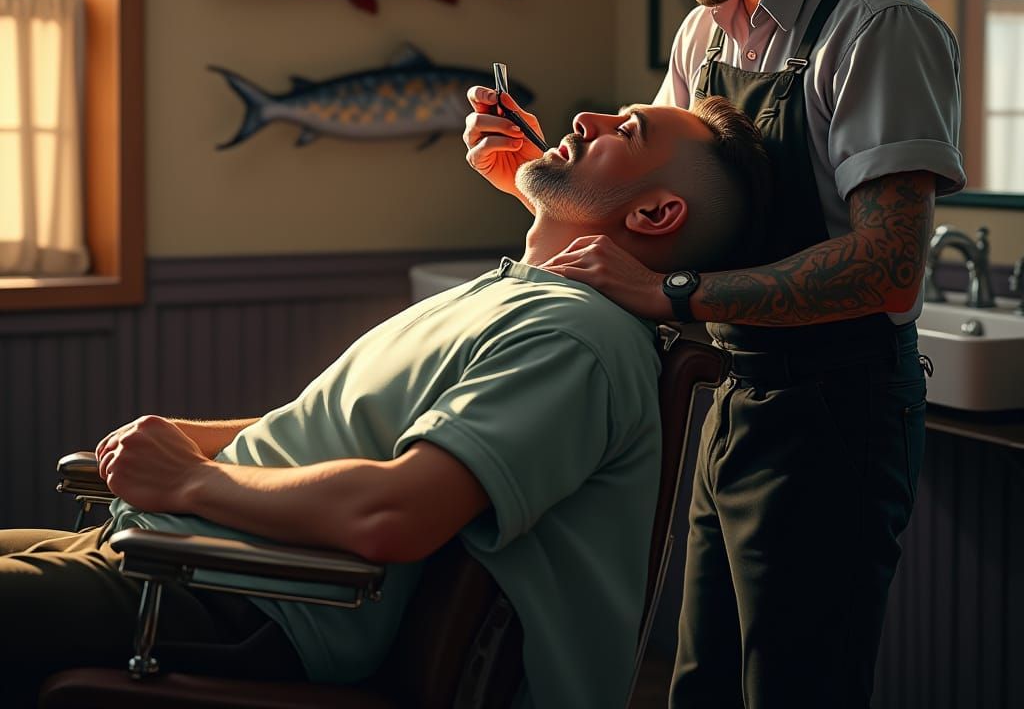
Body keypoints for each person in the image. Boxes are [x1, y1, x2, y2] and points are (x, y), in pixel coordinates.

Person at [463, 0, 965, 709]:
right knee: (701, 684)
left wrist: (675, 297)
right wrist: (533, 176)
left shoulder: (877, 28)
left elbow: (889, 270)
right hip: (736, 394)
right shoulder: (703, 40)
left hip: (841, 417)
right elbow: (651, 218)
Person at [0, 97, 768, 709]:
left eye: (624, 131)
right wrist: (190, 443)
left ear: (655, 215)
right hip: (178, 552)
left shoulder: (572, 339)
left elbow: (393, 514)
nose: (588, 118)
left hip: (246, 600)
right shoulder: (518, 296)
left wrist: (190, 480)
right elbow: (349, 431)